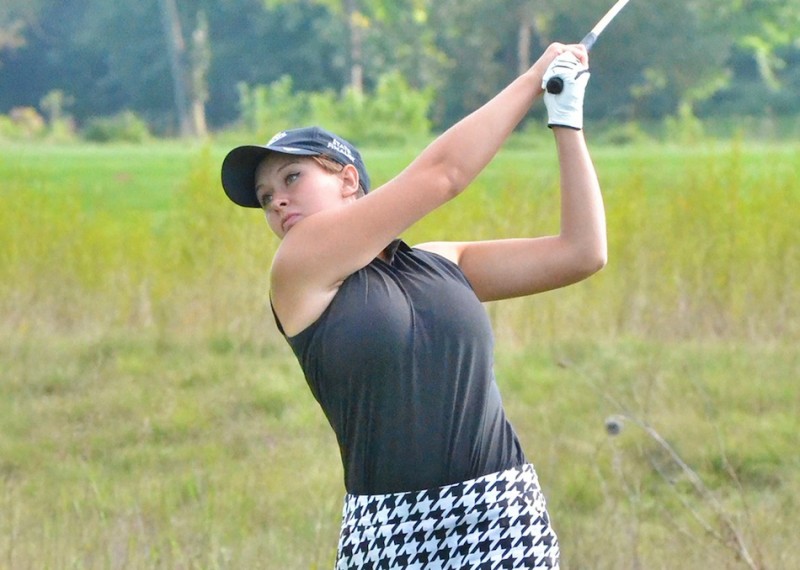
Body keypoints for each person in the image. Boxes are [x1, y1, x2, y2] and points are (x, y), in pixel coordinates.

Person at [221, 42, 605, 569]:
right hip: (392, 530)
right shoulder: (299, 267)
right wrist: (535, 78)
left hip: (503, 513)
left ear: (348, 179)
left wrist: (566, 119)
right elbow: (443, 175)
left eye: (292, 178)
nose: (277, 201)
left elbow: (581, 253)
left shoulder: (441, 262)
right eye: (265, 197)